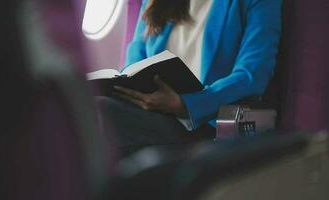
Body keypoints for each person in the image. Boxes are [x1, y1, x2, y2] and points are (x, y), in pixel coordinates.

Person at [95, 0, 282, 152]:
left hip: (214, 118)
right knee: (91, 104)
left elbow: (252, 74)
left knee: (101, 112)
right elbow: (136, 55)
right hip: (155, 108)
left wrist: (187, 104)